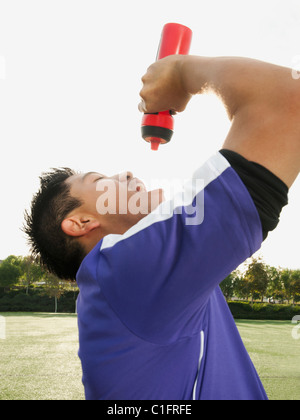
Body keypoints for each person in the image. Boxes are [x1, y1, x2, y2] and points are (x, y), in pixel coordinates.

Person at [24, 55, 299, 400]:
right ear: (80, 223)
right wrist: (182, 74)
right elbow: (287, 100)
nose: (123, 174)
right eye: (99, 180)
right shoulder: (124, 272)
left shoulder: (126, 285)